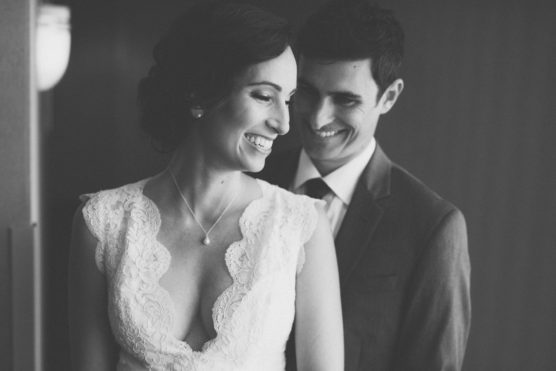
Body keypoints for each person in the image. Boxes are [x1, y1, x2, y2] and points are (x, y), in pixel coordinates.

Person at [68, 2, 343, 370]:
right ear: (199, 94)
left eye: (289, 100)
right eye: (264, 96)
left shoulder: (299, 226)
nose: (283, 123)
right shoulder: (104, 224)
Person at [258, 0, 471, 370]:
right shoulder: (250, 180)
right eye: (307, 91)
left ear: (388, 97)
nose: (319, 116)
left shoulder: (432, 228)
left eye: (345, 100)